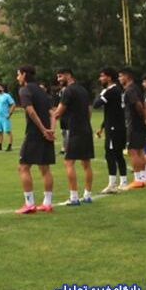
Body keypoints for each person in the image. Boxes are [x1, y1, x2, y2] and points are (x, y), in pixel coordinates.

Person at [15, 66, 56, 214]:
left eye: (18, 74)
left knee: (23, 167)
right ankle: (47, 203)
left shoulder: (24, 90)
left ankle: (29, 204)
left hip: (34, 134)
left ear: (24, 74)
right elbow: (53, 113)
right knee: (45, 168)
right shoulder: (42, 91)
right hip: (46, 135)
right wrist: (51, 130)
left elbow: (30, 111)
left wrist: (43, 129)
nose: (17, 78)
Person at [52, 69, 95, 206]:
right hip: (86, 129)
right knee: (86, 163)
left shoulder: (68, 91)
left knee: (69, 162)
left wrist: (50, 123)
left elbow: (58, 112)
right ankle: (87, 195)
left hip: (75, 130)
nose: (58, 79)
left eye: (60, 76)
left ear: (68, 75)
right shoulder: (83, 90)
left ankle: (74, 197)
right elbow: (89, 110)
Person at [93, 68, 128, 193]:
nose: (100, 79)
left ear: (109, 77)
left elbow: (96, 104)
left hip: (114, 128)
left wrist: (102, 93)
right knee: (117, 154)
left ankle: (113, 184)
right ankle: (123, 182)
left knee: (110, 154)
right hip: (116, 126)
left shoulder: (112, 91)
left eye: (102, 76)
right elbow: (112, 111)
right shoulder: (117, 90)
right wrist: (103, 127)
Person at [119, 68, 146, 190]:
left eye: (121, 76)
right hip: (139, 124)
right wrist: (144, 119)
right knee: (140, 151)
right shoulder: (136, 88)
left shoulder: (130, 90)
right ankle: (143, 179)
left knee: (133, 151)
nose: (119, 79)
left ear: (127, 77)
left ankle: (138, 179)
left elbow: (139, 105)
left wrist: (141, 116)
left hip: (134, 124)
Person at [0, 83, 15, 151]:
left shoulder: (7, 96)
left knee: (8, 131)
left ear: (3, 88)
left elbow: (13, 104)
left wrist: (9, 114)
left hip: (5, 117)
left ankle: (9, 146)